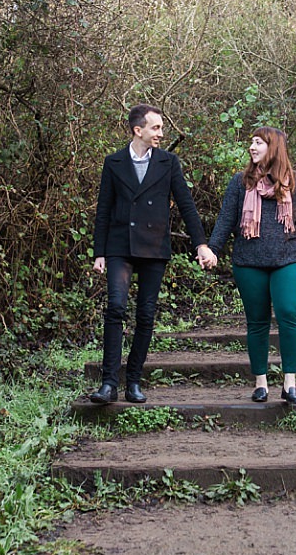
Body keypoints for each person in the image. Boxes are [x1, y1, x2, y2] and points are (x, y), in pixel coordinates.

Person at [88, 104, 217, 404]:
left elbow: (185, 204)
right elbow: (103, 210)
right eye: (156, 128)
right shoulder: (114, 162)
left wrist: (201, 244)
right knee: (116, 307)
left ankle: (133, 380)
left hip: (154, 246)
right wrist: (99, 252)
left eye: (160, 128)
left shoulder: (168, 162)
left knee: (146, 314)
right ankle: (109, 383)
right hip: (120, 244)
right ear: (138, 130)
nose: (161, 133)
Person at [206, 126, 296, 405]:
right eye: (252, 143)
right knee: (257, 321)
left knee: (289, 314)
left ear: (274, 147)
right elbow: (226, 219)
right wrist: (212, 249)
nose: (252, 147)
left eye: (258, 143)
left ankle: (290, 383)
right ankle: (260, 383)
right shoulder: (240, 182)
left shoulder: (294, 182)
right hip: (249, 261)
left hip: (288, 259)